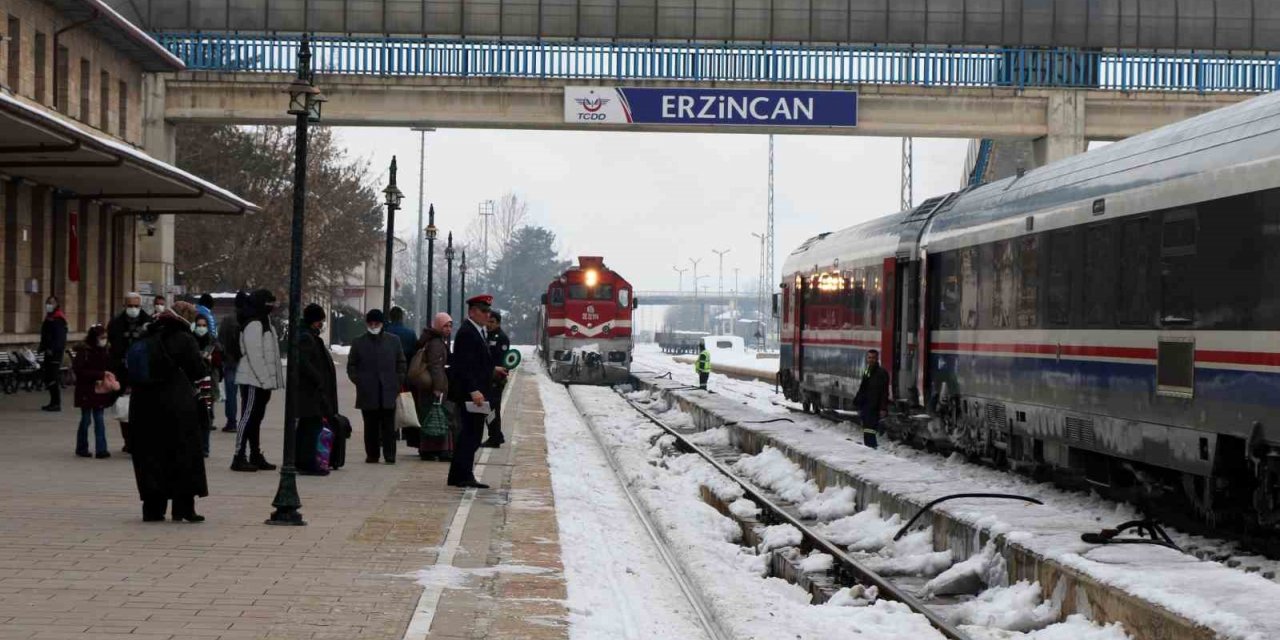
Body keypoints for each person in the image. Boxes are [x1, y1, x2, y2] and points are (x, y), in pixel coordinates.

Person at [129, 302, 210, 522]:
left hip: (143, 405)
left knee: (151, 455)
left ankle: (153, 508)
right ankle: (183, 507)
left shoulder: (147, 334)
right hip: (176, 404)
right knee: (182, 453)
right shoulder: (184, 338)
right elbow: (197, 370)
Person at [447, 294, 506, 489]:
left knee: (471, 433)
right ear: (472, 311)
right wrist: (473, 390)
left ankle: (458, 475)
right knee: (471, 435)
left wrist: (492, 369)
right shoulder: (467, 332)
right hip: (472, 394)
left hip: (477, 390)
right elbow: (463, 365)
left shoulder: (477, 331)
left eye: (488, 311)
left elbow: (477, 362)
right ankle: (464, 475)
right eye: (483, 311)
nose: (487, 315)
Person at [347, 309, 406, 464]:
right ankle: (372, 455)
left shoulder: (394, 341)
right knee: (370, 427)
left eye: (377, 323)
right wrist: (359, 381)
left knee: (389, 427)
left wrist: (397, 381)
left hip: (388, 390)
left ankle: (390, 455)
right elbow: (351, 365)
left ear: (382, 324)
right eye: (371, 323)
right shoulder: (358, 342)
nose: (373, 326)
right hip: (368, 391)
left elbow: (401, 363)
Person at [232, 289, 281, 472]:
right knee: (247, 416)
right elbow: (255, 355)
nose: (272, 308)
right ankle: (239, 455)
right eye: (269, 304)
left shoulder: (265, 321)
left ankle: (254, 453)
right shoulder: (253, 324)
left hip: (262, 380)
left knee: (256, 418)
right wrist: (265, 380)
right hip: (253, 379)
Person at [296, 303, 340, 475]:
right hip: (310, 393)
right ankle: (309, 463)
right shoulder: (306, 338)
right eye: (319, 321)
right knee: (311, 428)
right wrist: (319, 379)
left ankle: (303, 461)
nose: (321, 325)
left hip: (311, 392)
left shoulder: (309, 336)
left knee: (308, 427)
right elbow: (305, 363)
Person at [107, 292, 150, 453]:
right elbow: (112, 346)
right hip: (122, 371)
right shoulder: (116, 323)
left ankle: (139, 439)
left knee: (141, 408)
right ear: (125, 306)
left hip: (142, 372)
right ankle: (128, 440)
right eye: (130, 306)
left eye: (136, 306)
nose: (133, 309)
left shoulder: (148, 322)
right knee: (123, 408)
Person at [415, 313, 454, 461]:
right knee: (437, 416)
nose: (448, 329)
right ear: (438, 325)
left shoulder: (430, 339)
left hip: (427, 385)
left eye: (450, 326)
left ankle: (428, 449)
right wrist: (438, 387)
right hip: (433, 386)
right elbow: (436, 366)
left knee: (429, 415)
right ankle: (439, 449)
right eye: (445, 325)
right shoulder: (436, 343)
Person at [71, 325, 113, 458]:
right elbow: (79, 370)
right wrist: (100, 374)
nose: (104, 340)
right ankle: (82, 447)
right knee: (86, 419)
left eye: (105, 338)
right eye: (102, 338)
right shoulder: (84, 351)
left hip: (100, 389)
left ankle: (101, 449)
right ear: (94, 338)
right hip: (86, 390)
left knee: (99, 419)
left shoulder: (105, 351)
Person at [218, 291, 246, 432]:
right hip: (247, 363)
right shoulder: (249, 320)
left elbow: (220, 339)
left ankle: (231, 422)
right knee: (246, 395)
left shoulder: (227, 320)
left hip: (230, 361)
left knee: (231, 394)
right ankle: (246, 422)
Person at [192, 315, 220, 458]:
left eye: (204, 325)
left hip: (208, 383)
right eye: (199, 325)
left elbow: (220, 358)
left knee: (206, 416)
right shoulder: (190, 339)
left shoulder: (212, 340)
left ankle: (205, 447)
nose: (201, 328)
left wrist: (211, 358)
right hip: (193, 383)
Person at [853, 349, 892, 449]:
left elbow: (884, 392)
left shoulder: (882, 373)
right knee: (866, 430)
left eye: (873, 358)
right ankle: (869, 449)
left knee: (870, 430)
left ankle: (872, 449)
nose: (871, 360)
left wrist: (883, 408)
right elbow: (863, 388)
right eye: (869, 358)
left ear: (877, 359)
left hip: (875, 406)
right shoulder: (867, 371)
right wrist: (858, 402)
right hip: (866, 405)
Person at [482, 310, 510, 448]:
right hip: (488, 376)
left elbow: (503, 360)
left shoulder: (501, 338)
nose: (488, 324)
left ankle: (494, 437)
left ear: (498, 323)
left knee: (492, 409)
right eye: (488, 321)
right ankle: (496, 434)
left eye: (492, 322)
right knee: (490, 408)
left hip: (496, 379)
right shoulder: (487, 335)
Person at [38, 295, 68, 411]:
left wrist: (53, 349)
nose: (49, 305)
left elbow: (59, 338)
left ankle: (56, 403)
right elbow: (46, 335)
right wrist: (42, 347)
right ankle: (52, 402)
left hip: (55, 353)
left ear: (57, 304)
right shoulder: (49, 317)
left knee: (53, 377)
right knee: (48, 377)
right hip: (48, 351)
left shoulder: (58, 319)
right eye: (47, 302)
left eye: (51, 303)